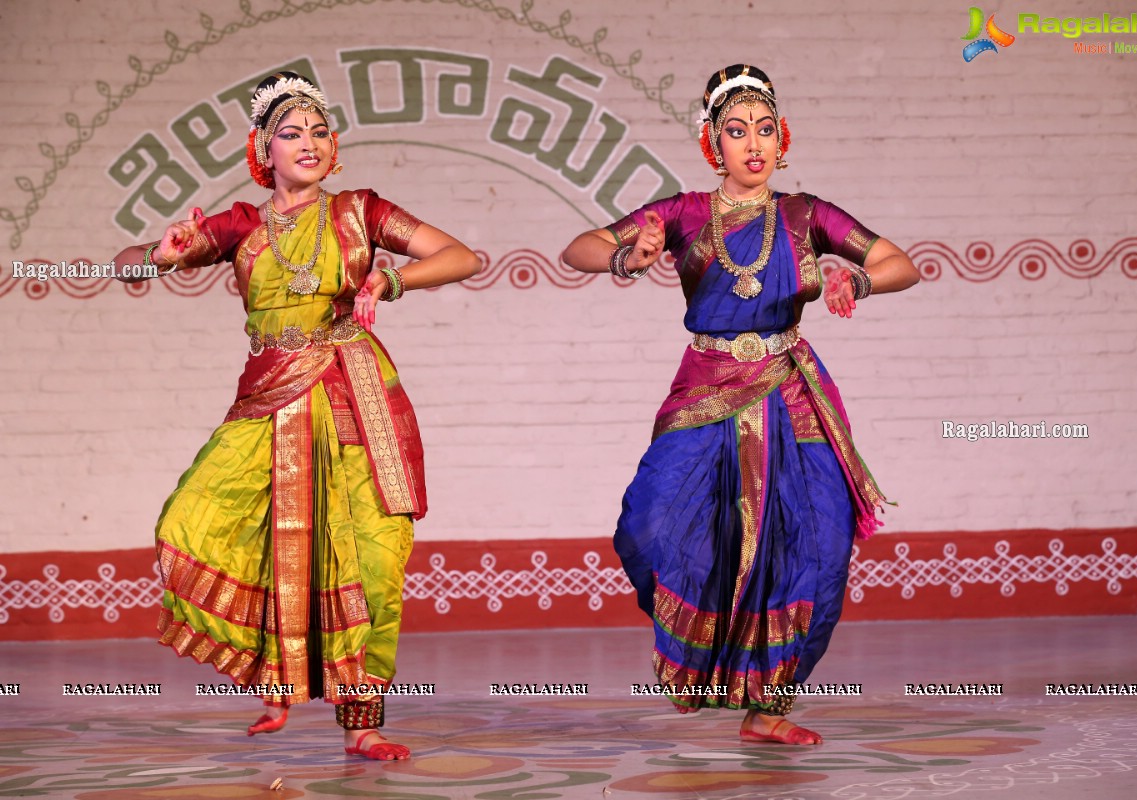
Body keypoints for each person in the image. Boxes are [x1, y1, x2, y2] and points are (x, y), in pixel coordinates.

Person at [113, 71, 481, 760]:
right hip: (271, 394)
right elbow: (131, 264)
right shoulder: (240, 225)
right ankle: (274, 679)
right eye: (291, 133)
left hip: (355, 392)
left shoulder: (362, 212)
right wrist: (157, 257)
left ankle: (364, 724)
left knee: (374, 557)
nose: (308, 143)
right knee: (197, 522)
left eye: (319, 131)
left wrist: (389, 278)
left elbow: (461, 255)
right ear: (263, 151)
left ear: (333, 147)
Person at [562, 64, 918, 745]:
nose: (752, 144)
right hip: (705, 388)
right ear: (712, 145)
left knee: (817, 543)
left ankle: (770, 708)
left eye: (763, 129)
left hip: (791, 388)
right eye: (735, 131)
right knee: (650, 523)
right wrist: (624, 257)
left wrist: (858, 280)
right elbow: (580, 247)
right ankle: (699, 667)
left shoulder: (808, 214)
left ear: (780, 139)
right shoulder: (683, 214)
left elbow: (901, 262)